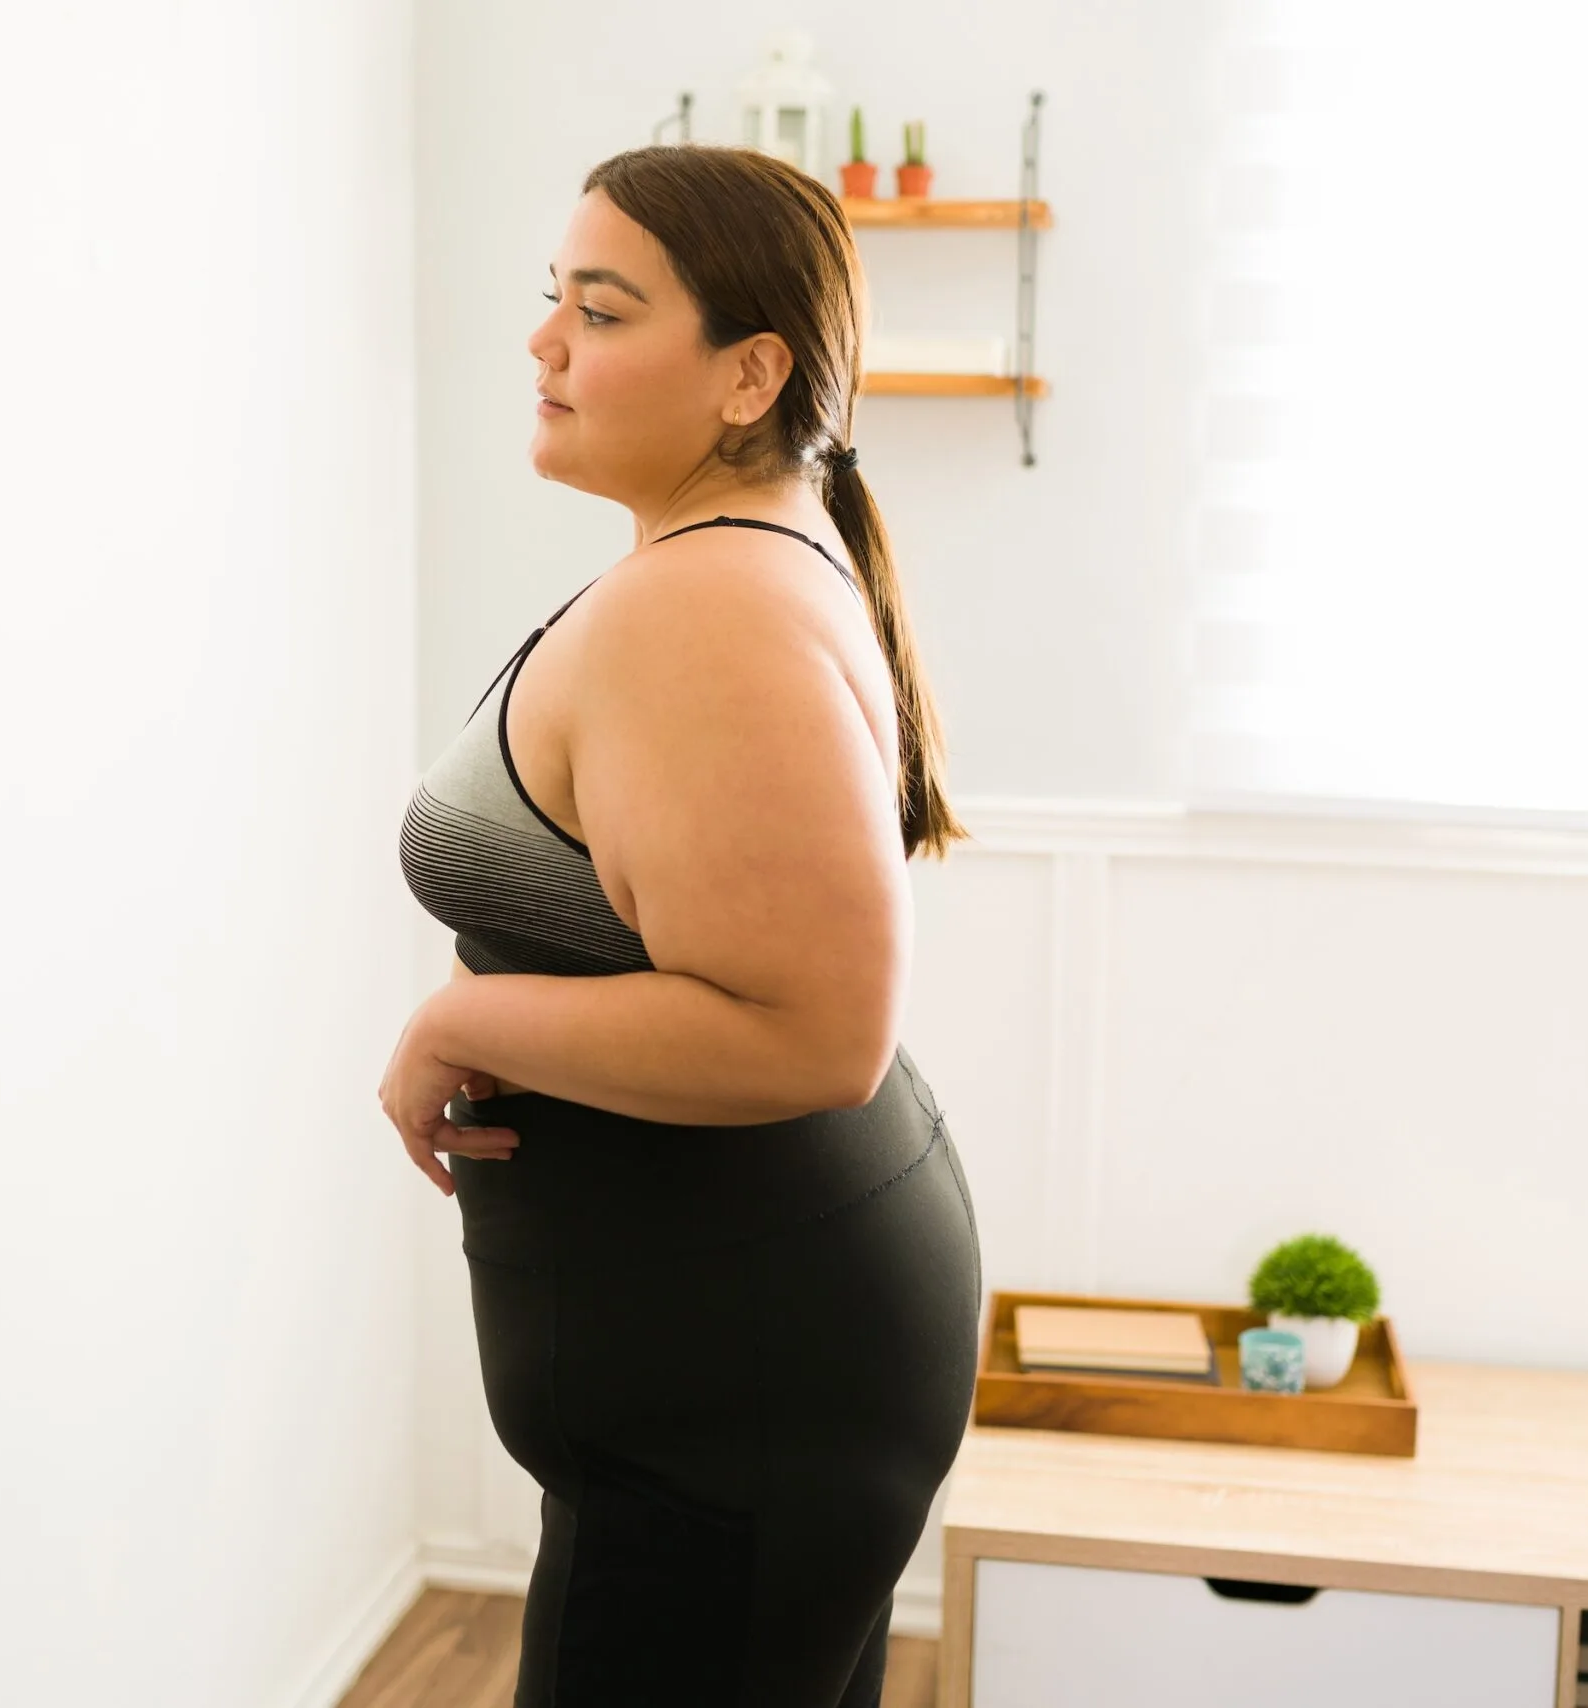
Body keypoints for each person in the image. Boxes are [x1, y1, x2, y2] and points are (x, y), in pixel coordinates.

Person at [380, 143, 983, 1708]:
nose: (545, 342)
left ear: (748, 375)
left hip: (740, 1399)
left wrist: (458, 1019)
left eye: (602, 310)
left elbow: (812, 1032)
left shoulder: (701, 604)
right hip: (758, 1361)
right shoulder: (731, 562)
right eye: (554, 299)